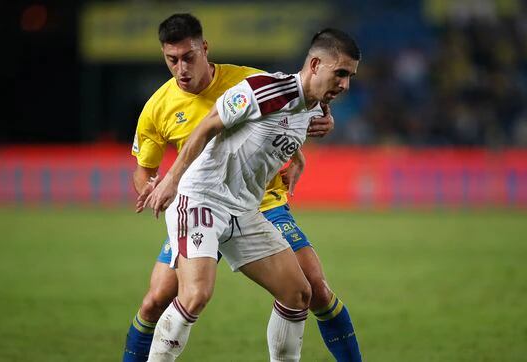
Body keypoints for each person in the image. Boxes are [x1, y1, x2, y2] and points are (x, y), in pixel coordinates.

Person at [123, 13, 362, 361]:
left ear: (204, 50)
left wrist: (299, 157)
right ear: (314, 64)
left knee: (299, 293)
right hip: (201, 197)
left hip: (245, 209)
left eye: (349, 77)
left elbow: (288, 124)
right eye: (340, 74)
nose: (345, 84)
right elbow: (207, 126)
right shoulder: (264, 89)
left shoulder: (309, 105)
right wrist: (170, 181)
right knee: (192, 295)